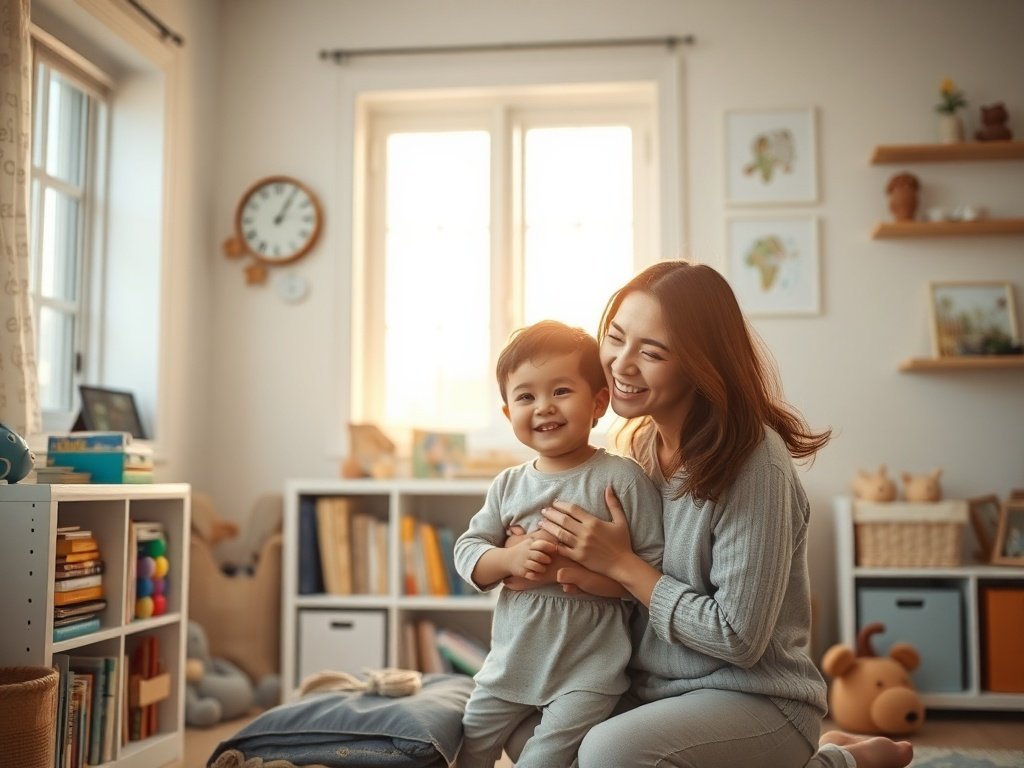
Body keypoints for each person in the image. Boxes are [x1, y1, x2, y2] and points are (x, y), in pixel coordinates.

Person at [507, 261, 913, 768]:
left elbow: (737, 638)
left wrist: (621, 565)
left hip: (756, 697)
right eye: (615, 338)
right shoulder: (639, 448)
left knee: (609, 754)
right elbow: (629, 586)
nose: (621, 365)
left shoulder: (754, 461)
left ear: (700, 364)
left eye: (651, 352)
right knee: (527, 729)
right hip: (652, 689)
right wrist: (545, 560)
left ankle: (833, 763)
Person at [452, 320, 664, 768]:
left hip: (588, 673)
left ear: (599, 402)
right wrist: (510, 559)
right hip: (509, 665)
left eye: (561, 391)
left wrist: (583, 578)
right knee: (469, 748)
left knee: (542, 759)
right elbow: (469, 549)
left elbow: (651, 575)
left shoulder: (621, 479)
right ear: (508, 413)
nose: (544, 407)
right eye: (526, 397)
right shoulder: (508, 485)